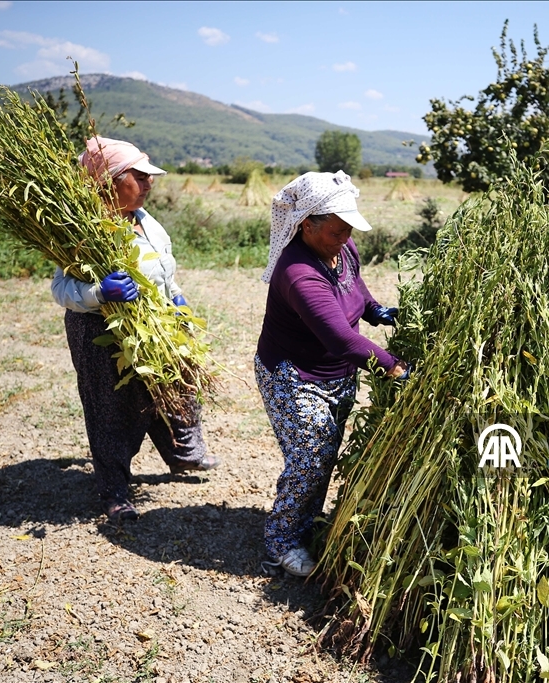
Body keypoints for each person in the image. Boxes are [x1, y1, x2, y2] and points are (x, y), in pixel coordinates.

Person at [51, 136, 217, 524]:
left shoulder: (146, 222)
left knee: (176, 384)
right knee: (111, 408)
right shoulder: (83, 231)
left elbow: (164, 270)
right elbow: (60, 289)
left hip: (154, 325)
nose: (149, 183)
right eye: (138, 176)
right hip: (100, 331)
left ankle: (183, 453)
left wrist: (176, 299)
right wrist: (97, 292)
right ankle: (114, 489)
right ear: (108, 181)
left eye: (149, 177)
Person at [255, 171, 408, 577]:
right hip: (294, 375)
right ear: (308, 225)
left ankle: (305, 525)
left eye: (349, 229)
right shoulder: (298, 273)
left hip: (337, 373)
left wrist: (375, 311)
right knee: (309, 458)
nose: (346, 237)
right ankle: (281, 542)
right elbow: (340, 338)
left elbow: (354, 283)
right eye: (338, 230)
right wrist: (393, 366)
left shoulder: (341, 246)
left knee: (324, 455)